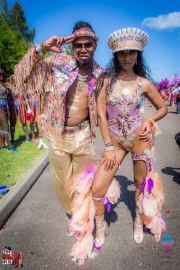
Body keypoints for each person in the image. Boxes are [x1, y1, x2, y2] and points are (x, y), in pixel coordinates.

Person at [14, 21, 104, 264]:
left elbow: (116, 106)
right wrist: (42, 47)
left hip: (84, 134)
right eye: (78, 45)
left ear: (95, 45)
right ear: (72, 45)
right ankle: (73, 215)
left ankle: (84, 224)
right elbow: (20, 74)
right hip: (56, 135)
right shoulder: (57, 64)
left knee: (85, 183)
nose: (83, 49)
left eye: (88, 44)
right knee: (62, 184)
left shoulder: (102, 73)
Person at [91, 28, 168, 248]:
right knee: (97, 189)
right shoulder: (106, 81)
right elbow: (101, 114)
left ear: (138, 55)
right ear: (115, 55)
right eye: (122, 53)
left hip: (140, 138)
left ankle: (138, 221)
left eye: (132, 53)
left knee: (140, 184)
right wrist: (106, 145)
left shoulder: (143, 83)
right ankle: (100, 226)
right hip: (114, 141)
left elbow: (162, 107)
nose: (127, 57)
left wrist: (150, 121)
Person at [0, 69, 19, 152]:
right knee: (5, 126)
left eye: (3, 74)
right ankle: (10, 146)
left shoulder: (4, 85)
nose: (2, 75)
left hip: (6, 106)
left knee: (1, 127)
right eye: (0, 74)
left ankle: (2, 144)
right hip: (0, 107)